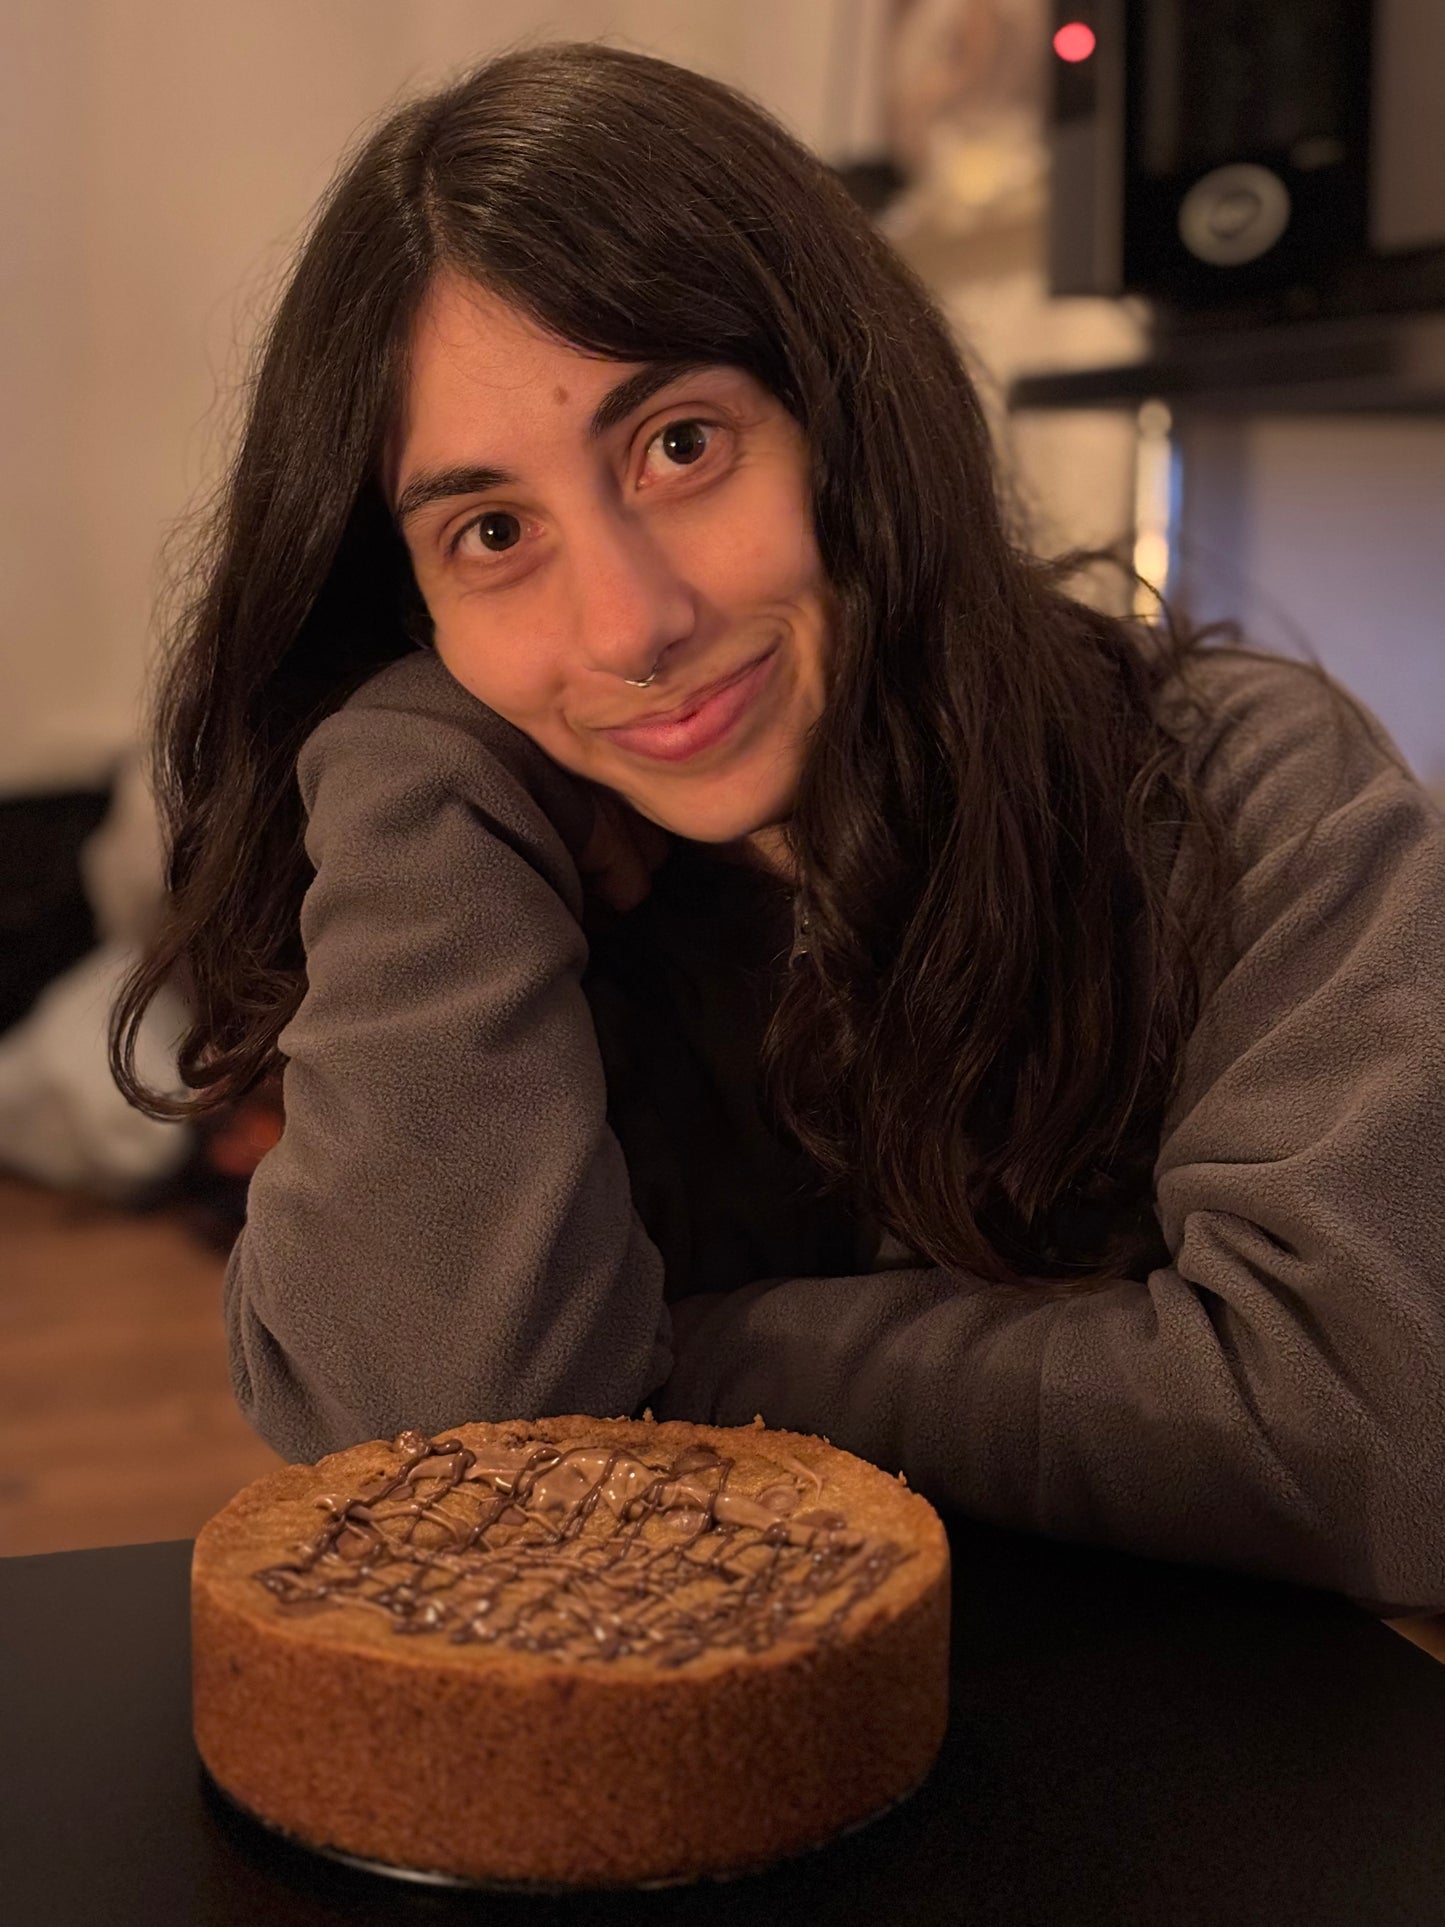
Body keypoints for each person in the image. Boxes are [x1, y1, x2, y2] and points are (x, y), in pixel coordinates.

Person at [112, 42, 1445, 1614]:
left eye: (679, 444)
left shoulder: (1245, 788)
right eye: (491, 532)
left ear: (844, 416)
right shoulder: (458, 848)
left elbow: (1375, 1431)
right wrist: (409, 760)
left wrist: (691, 1367)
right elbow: (423, 1443)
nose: (630, 625)